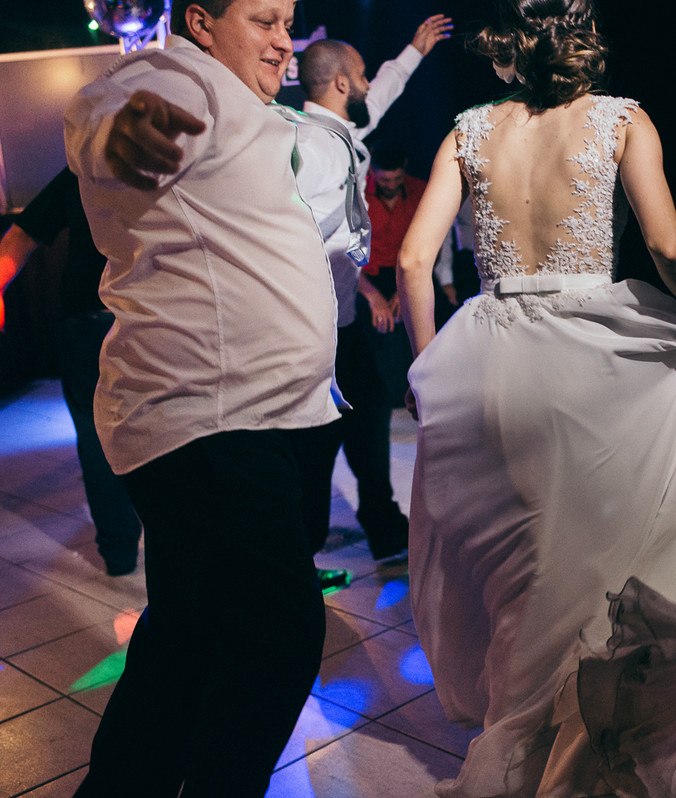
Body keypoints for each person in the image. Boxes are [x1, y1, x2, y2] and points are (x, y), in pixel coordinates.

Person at [395, 1, 676, 794]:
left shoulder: (467, 131)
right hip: (592, 360)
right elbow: (668, 244)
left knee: (525, 573)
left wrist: (429, 368)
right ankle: (594, 747)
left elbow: (411, 261)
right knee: (593, 562)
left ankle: (524, 741)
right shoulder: (622, 120)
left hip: (490, 360)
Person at [64, 0, 341, 794]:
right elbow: (107, 110)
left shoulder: (249, 109)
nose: (284, 40)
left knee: (188, 638)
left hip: (243, 415)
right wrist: (120, 135)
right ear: (200, 22)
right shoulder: (178, 78)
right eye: (263, 19)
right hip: (210, 416)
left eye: (288, 21)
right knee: (280, 631)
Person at [291, 17, 452, 570]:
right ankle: (302, 552)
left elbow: (377, 98)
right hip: (314, 330)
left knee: (367, 417)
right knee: (316, 442)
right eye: (359, 75)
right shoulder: (311, 148)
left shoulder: (340, 133)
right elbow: (308, 241)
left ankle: (383, 528)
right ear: (340, 83)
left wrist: (413, 52)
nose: (365, 84)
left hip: (343, 322)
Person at [0, 166, 142, 576]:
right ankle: (183, 545)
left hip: (86, 319)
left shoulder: (86, 166)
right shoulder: (175, 156)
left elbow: (24, 231)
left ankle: (119, 553)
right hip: (151, 318)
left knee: (96, 435)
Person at [361, 140, 454, 406]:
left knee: (441, 317)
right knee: (376, 327)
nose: (391, 185)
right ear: (372, 172)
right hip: (369, 277)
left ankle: (438, 393)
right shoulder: (358, 193)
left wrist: (407, 291)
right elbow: (343, 255)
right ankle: (385, 401)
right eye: (384, 180)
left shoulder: (421, 191)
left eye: (397, 178)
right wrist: (373, 297)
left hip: (413, 271)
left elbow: (436, 245)